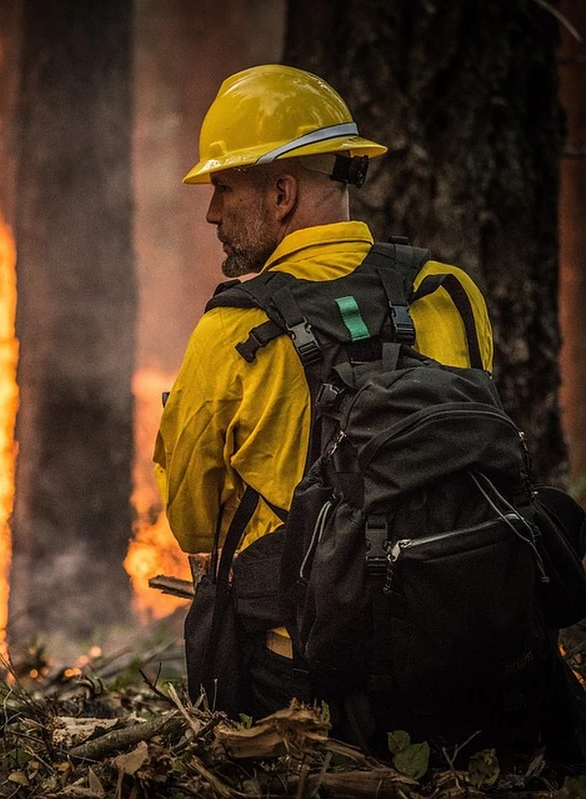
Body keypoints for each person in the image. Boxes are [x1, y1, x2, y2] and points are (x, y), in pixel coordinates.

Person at [153, 64, 494, 718]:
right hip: (467, 660)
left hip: (308, 691)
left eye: (223, 187)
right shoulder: (450, 291)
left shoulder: (234, 331)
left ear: (281, 193)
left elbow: (193, 524)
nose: (212, 212)